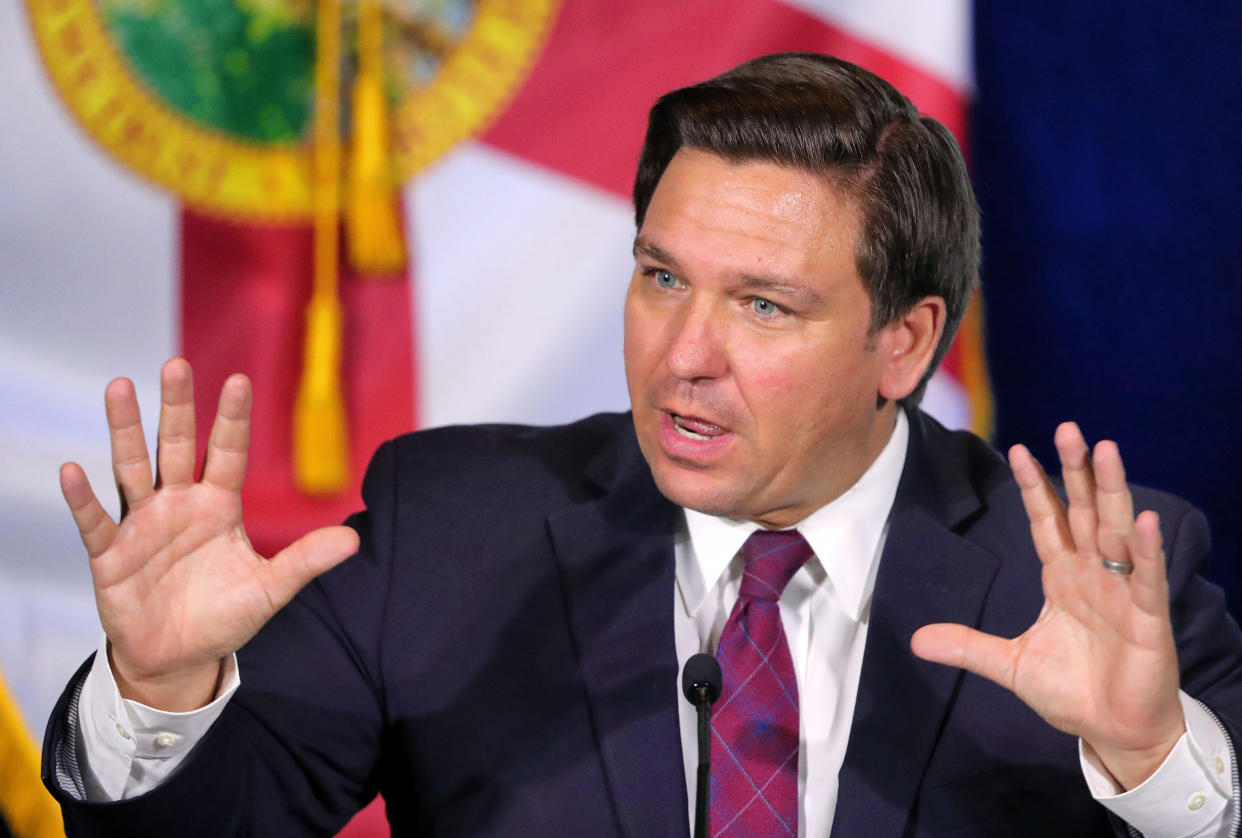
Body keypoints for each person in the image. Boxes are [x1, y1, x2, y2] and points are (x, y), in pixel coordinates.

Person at [42, 53, 1242, 837]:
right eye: (662, 277)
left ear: (905, 342)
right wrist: (162, 690)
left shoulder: (1090, 582)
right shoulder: (453, 529)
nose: (684, 354)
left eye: (764, 304)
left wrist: (1148, 762)